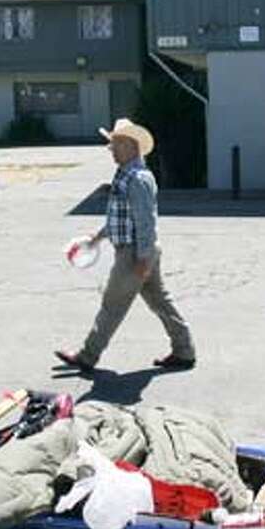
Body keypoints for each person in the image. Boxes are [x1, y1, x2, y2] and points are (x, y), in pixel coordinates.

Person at [54, 118, 196, 372]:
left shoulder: (137, 178)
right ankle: (184, 351)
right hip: (140, 251)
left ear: (131, 146)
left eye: (115, 143)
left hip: (134, 254)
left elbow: (145, 223)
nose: (110, 149)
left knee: (112, 304)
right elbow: (121, 218)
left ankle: (87, 356)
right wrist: (97, 237)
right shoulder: (127, 174)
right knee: (159, 301)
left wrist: (143, 260)